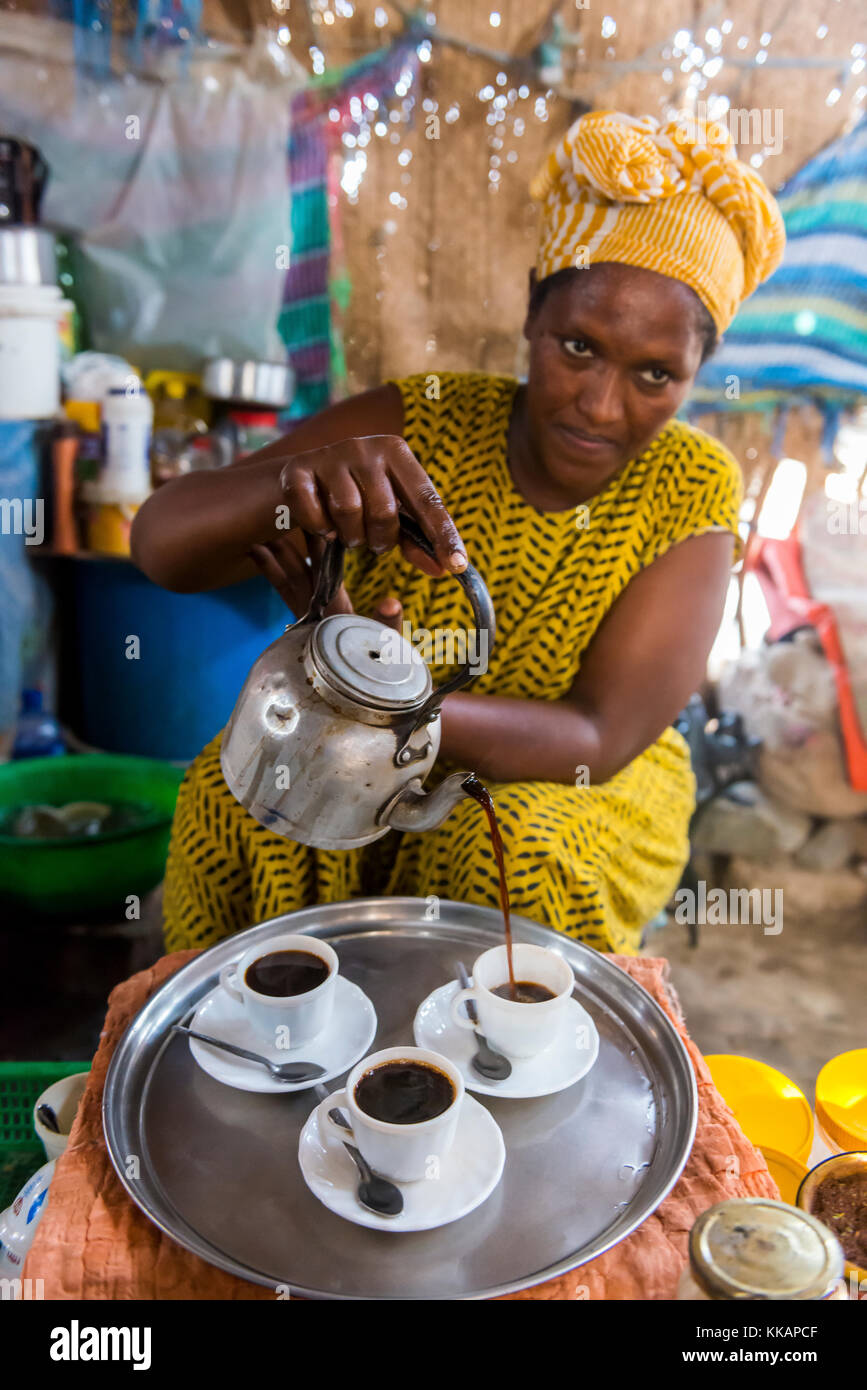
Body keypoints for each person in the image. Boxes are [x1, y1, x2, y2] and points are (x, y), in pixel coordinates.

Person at [132, 109, 785, 956]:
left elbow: (599, 733)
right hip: (364, 731)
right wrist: (289, 489)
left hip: (580, 779)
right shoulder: (423, 422)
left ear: (696, 371)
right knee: (242, 799)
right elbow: (160, 545)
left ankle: (484, 1076)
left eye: (655, 375)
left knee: (498, 842)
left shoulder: (688, 487)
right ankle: (255, 1060)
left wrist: (387, 699)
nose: (600, 404)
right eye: (577, 346)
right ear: (529, 313)